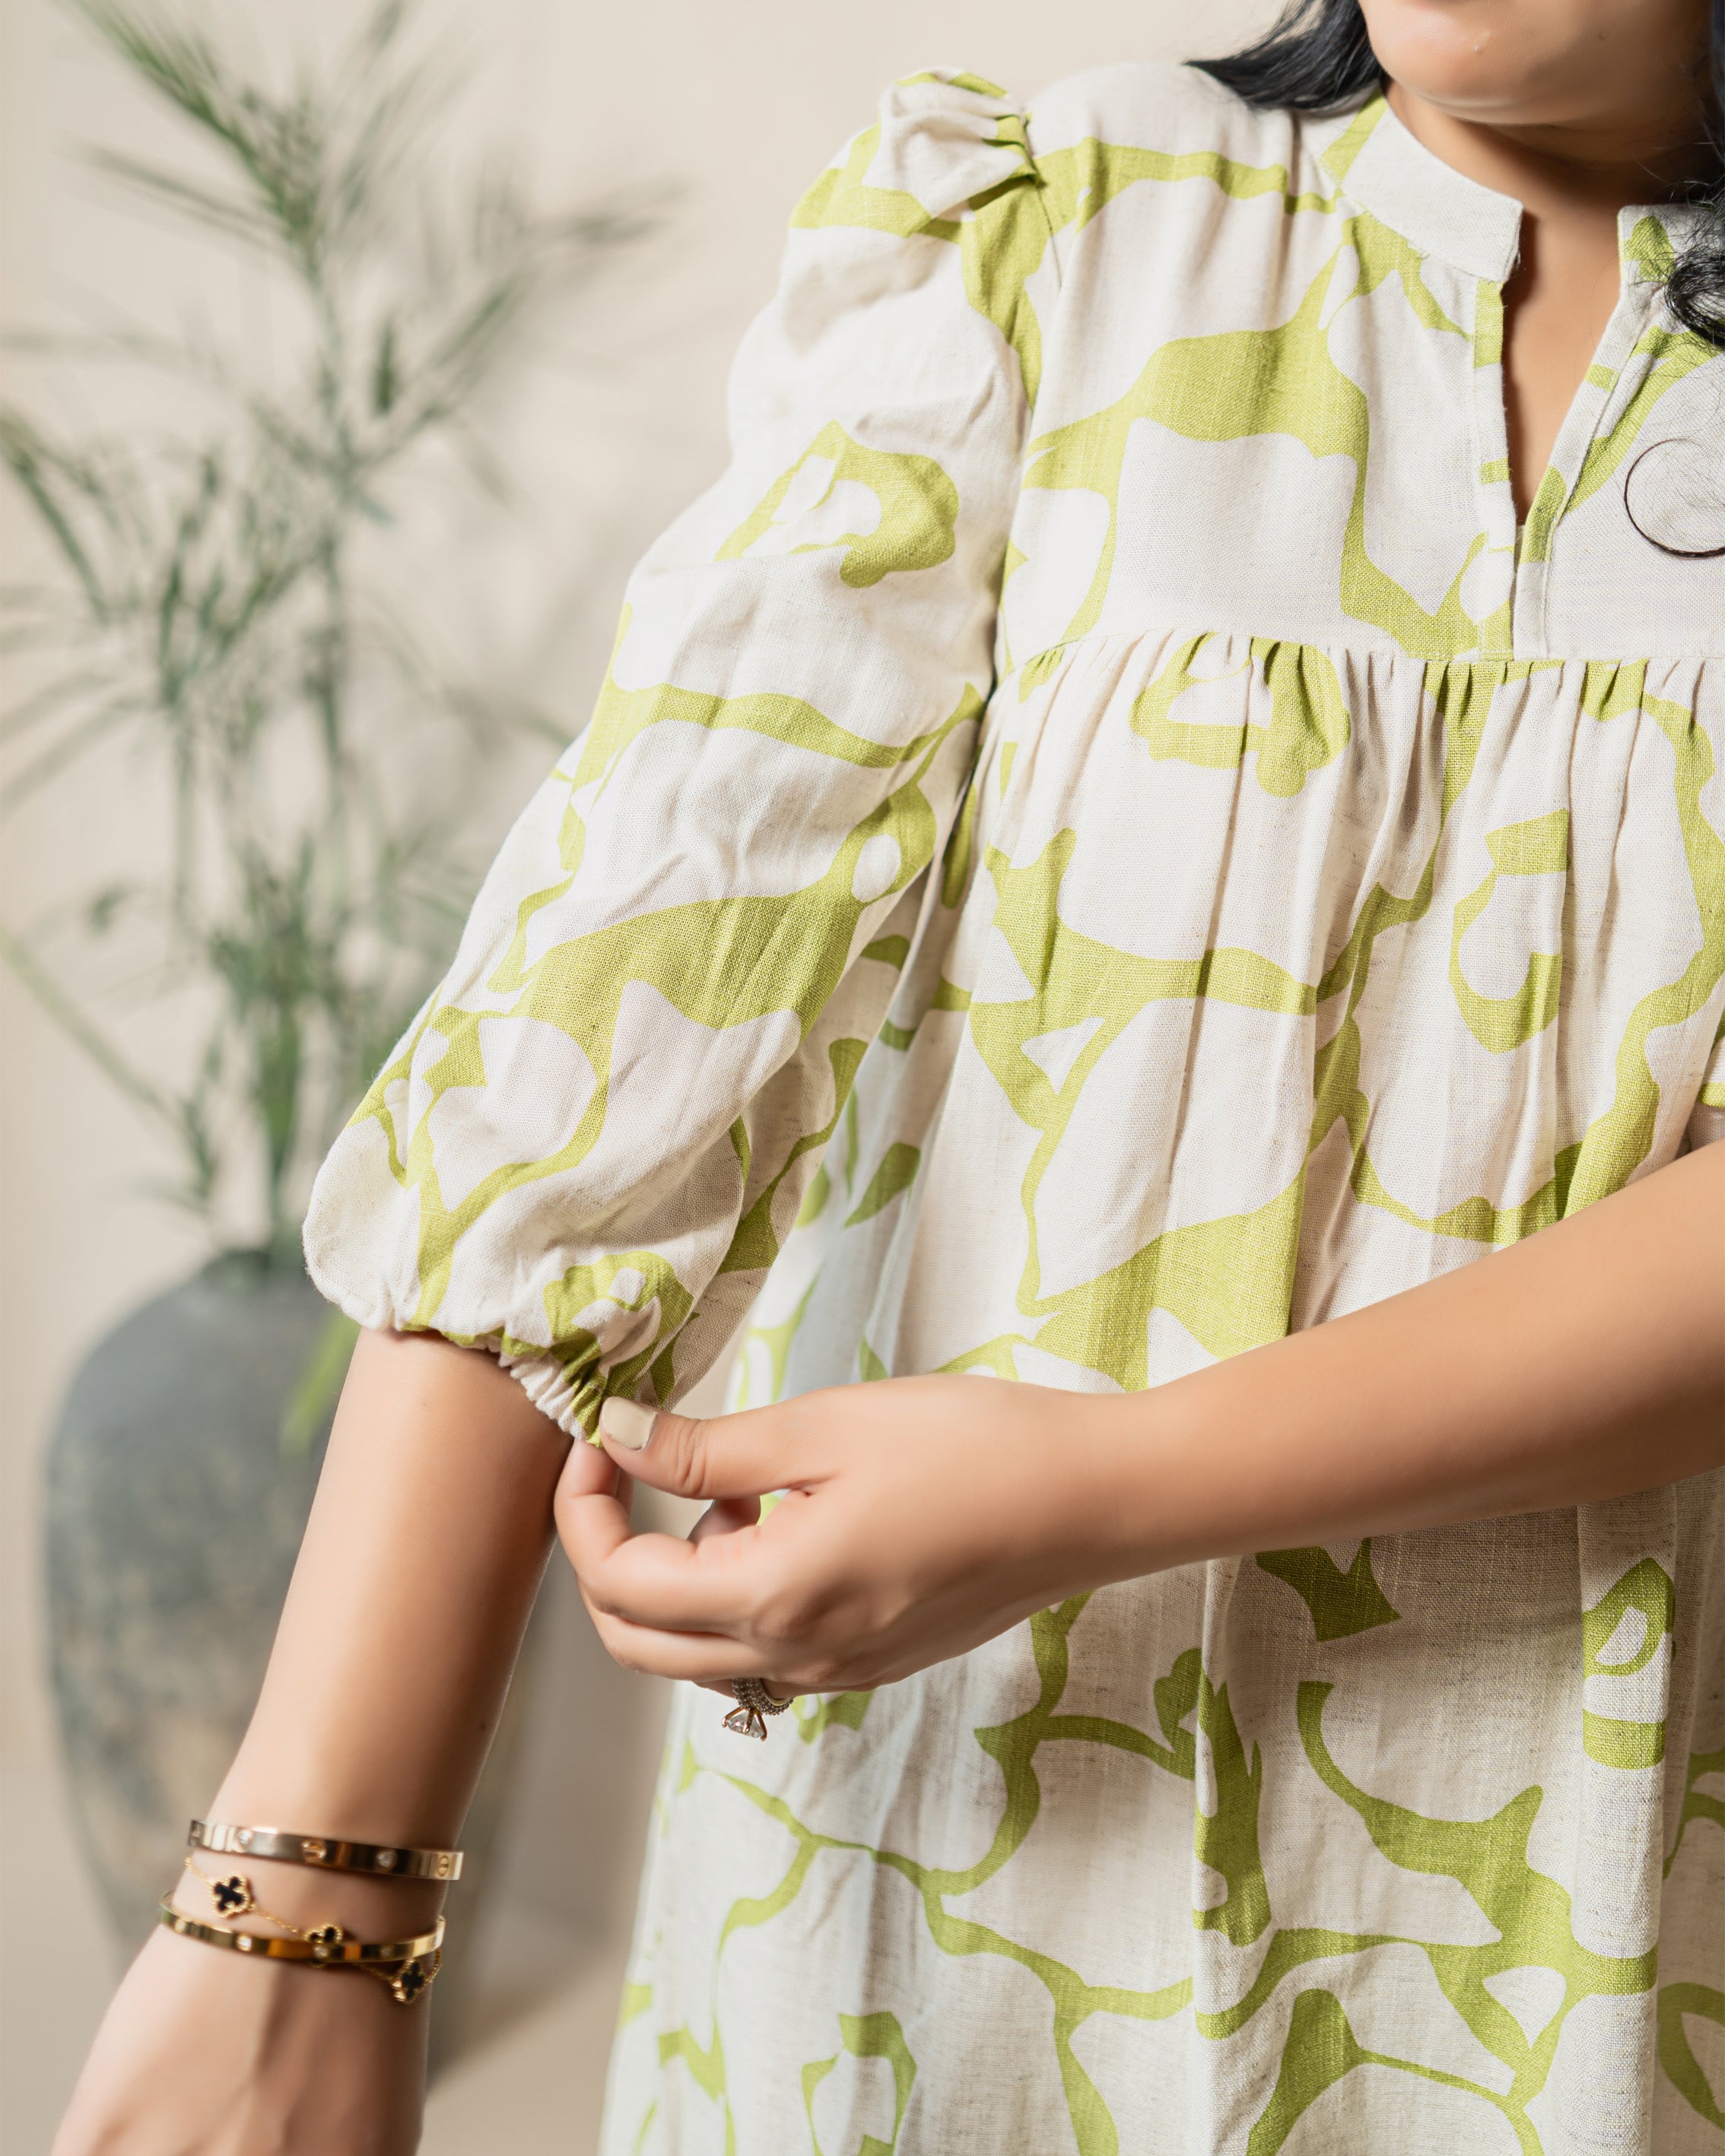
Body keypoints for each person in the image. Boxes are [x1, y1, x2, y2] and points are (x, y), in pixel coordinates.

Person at [53, 0, 1725, 2148]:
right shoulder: (1057, 233)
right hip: (936, 1912)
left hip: (1605, 1932)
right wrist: (305, 1909)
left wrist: (1099, 1488)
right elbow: (621, 1001)